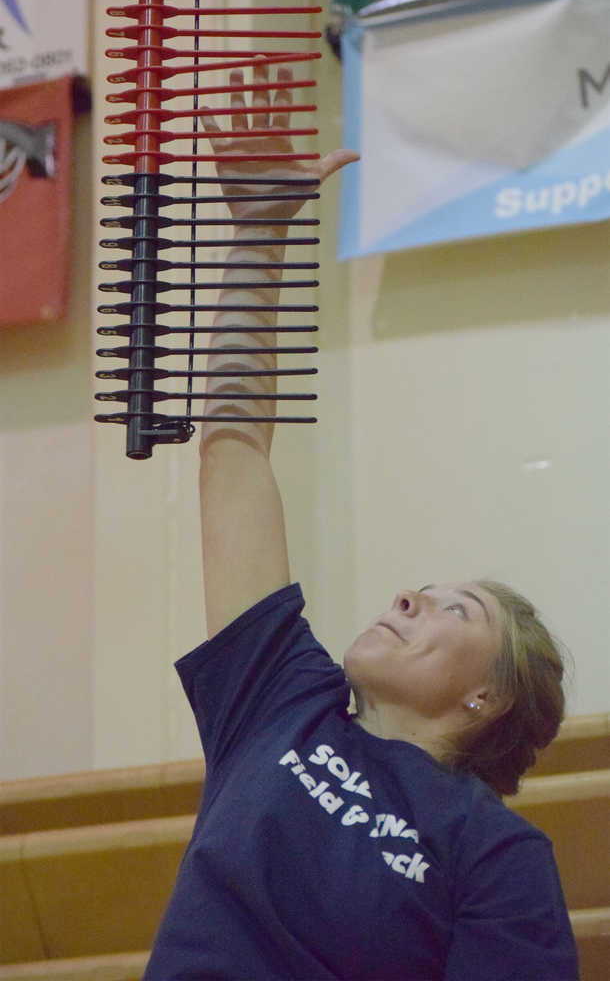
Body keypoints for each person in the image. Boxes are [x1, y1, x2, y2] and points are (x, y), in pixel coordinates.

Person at [143, 62, 579, 980]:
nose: (412, 597)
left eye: (456, 611)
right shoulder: (281, 700)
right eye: (427, 591)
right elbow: (234, 461)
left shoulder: (495, 854)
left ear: (485, 698)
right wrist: (259, 239)